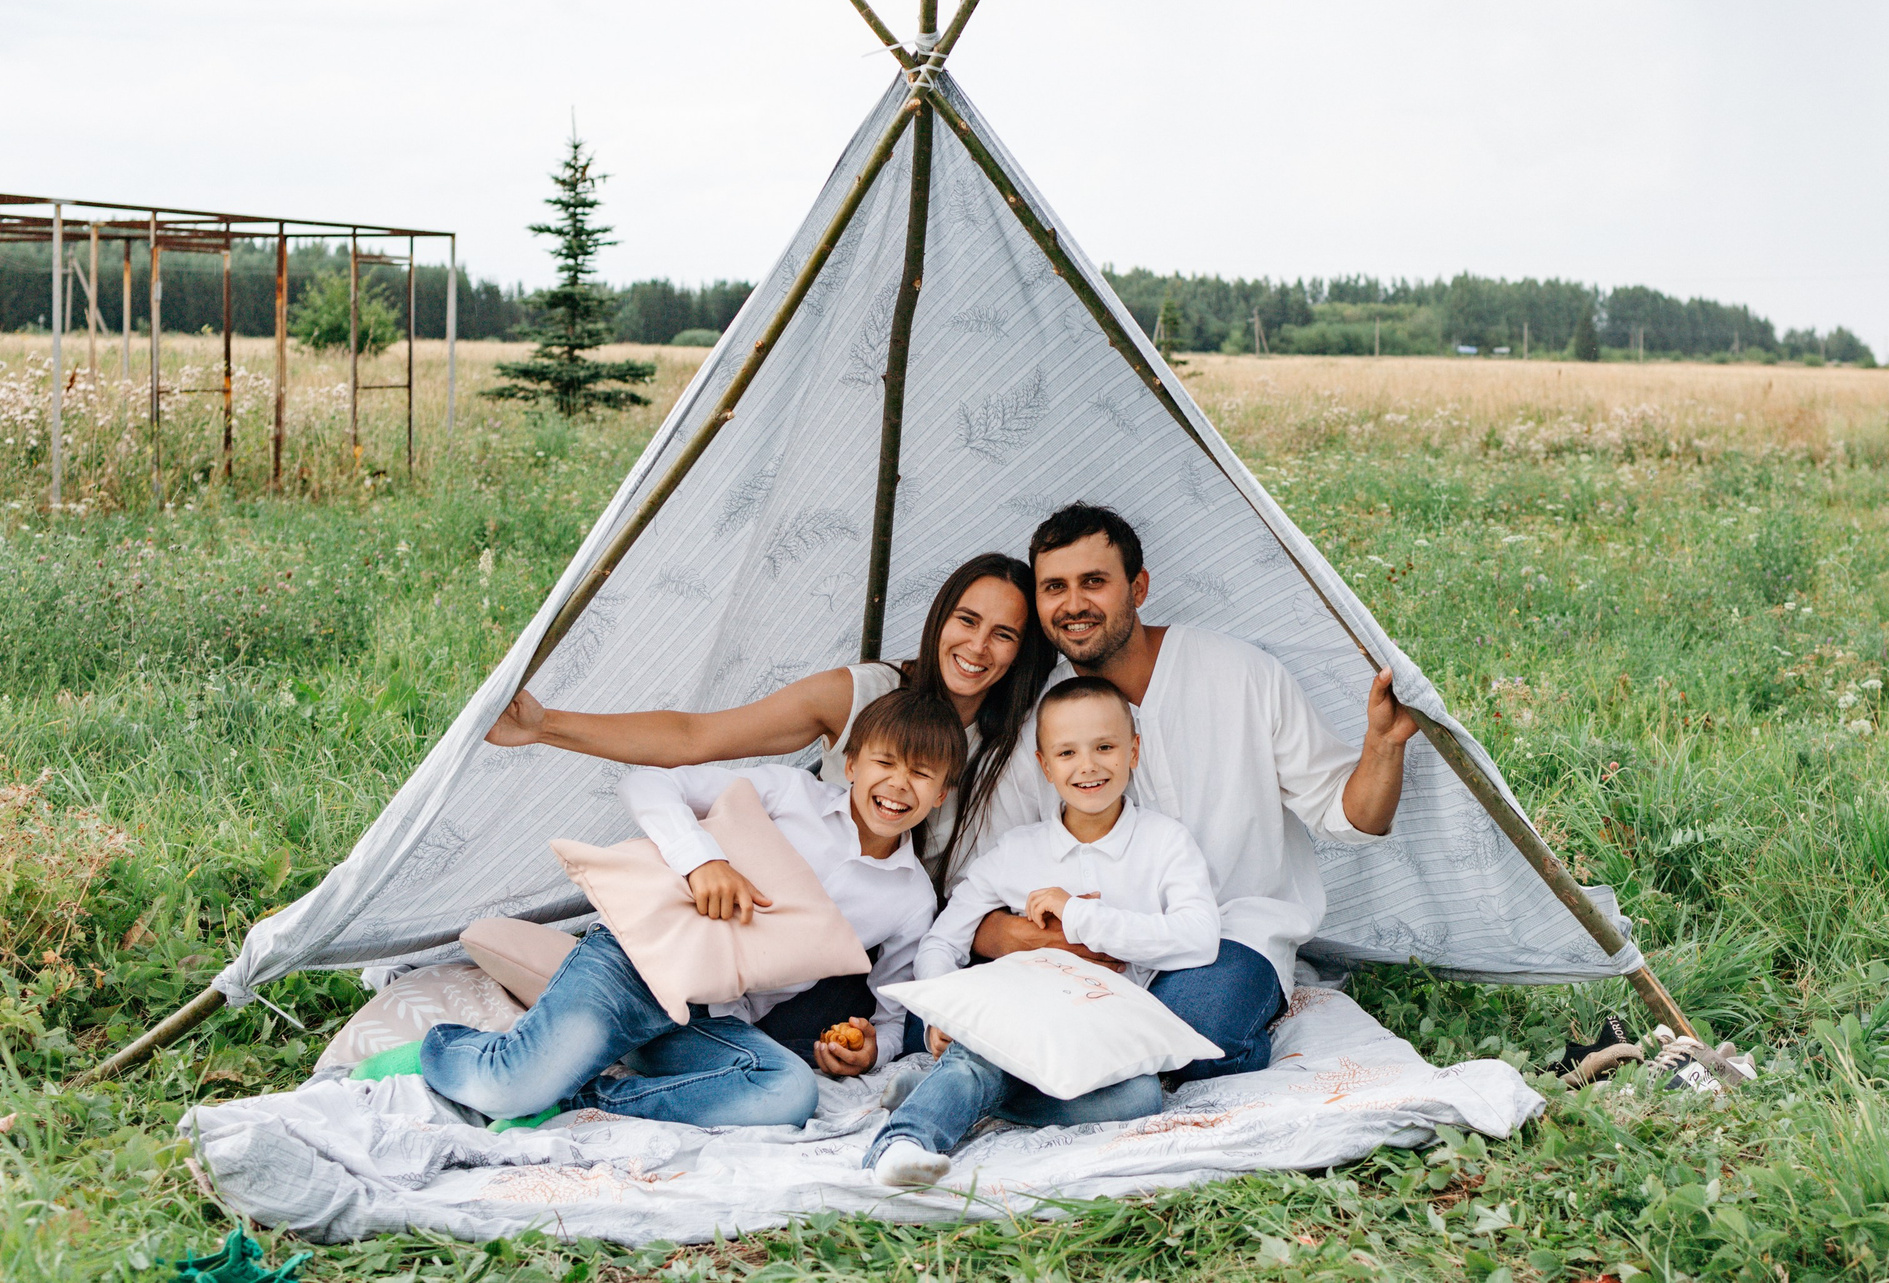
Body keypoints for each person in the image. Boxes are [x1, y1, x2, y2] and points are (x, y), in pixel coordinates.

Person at [361, 690, 966, 1130]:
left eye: (921, 774)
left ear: (941, 793)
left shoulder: (909, 898)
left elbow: (897, 1007)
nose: (898, 786)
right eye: (885, 763)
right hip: (636, 966)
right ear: (853, 765)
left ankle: (582, 1098)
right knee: (507, 1086)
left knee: (787, 1093)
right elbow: (649, 782)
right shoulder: (791, 794)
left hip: (712, 1019)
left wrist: (872, 1050)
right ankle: (446, 1049)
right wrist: (701, 859)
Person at [967, 503, 1423, 1082]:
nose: (1073, 604)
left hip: (1230, 937)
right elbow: (979, 876)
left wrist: (1383, 746)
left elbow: (1350, 816)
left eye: (1094, 582)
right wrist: (1013, 937)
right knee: (1066, 1041)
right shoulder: (1039, 717)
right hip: (1095, 949)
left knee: (1181, 1036)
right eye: (1054, 587)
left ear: (1138, 586)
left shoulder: (1241, 675)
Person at [485, 553, 1055, 890]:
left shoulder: (1019, 730)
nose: (978, 646)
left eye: (1003, 634)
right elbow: (696, 736)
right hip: (795, 899)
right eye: (967, 620)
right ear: (941, 618)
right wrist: (544, 725)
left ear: (1022, 650)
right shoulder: (861, 695)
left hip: (900, 927)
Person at [864, 674, 1219, 1187]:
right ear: (1045, 765)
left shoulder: (1165, 843)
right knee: (985, 1050)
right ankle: (903, 1142)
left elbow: (1200, 936)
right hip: (1021, 1013)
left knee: (1141, 1097)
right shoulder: (1019, 851)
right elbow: (943, 939)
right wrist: (940, 1011)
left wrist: (1081, 915)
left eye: (1105, 747)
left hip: (1101, 1033)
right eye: (1068, 753)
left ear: (1134, 751)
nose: (1089, 766)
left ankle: (947, 1092)